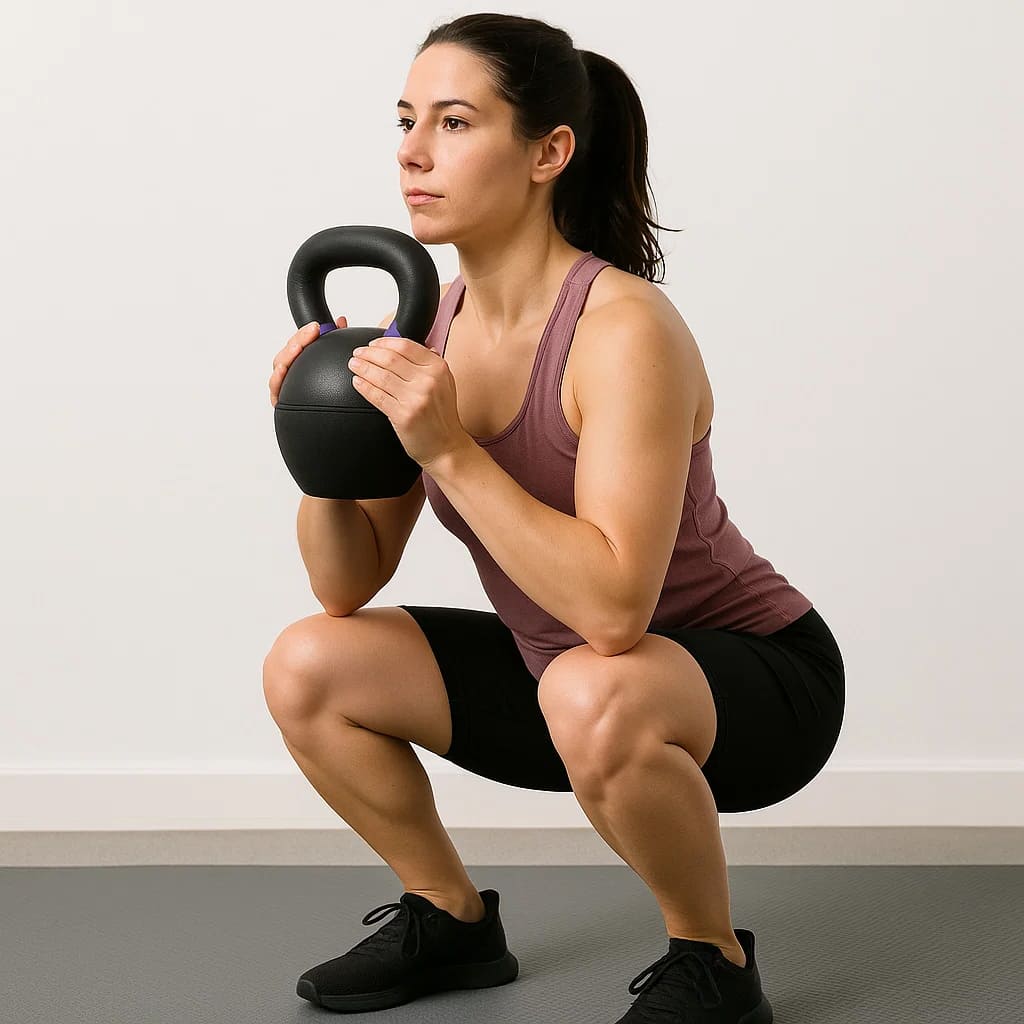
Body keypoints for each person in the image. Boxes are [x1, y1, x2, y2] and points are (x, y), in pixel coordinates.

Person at [264, 12, 844, 1021]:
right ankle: (448, 919)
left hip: (751, 679)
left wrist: (446, 445)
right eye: (406, 120)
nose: (411, 151)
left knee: (591, 681)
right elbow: (347, 580)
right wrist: (317, 444)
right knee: (309, 661)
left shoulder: (623, 329)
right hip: (566, 680)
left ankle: (710, 960)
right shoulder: (427, 327)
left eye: (453, 122)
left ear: (549, 152)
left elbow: (617, 611)